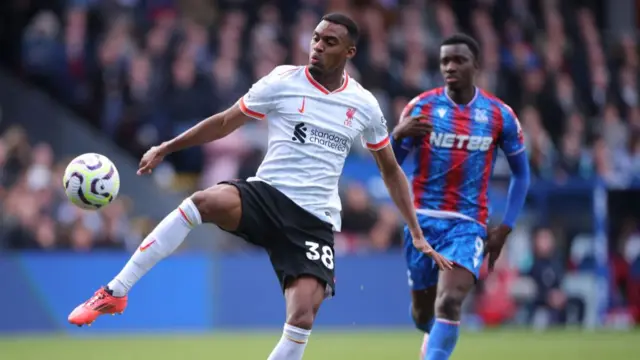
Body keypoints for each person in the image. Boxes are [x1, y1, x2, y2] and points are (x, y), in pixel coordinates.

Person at [67, 13, 452, 360]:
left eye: (329, 41)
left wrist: (416, 232)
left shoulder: (364, 105)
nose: (317, 46)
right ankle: (116, 291)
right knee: (200, 202)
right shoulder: (283, 80)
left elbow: (389, 170)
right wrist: (167, 147)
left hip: (313, 220)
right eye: (316, 38)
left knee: (301, 318)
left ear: (349, 51)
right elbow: (224, 122)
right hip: (266, 195)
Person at [390, 33, 530, 360]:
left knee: (449, 301)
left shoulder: (499, 115)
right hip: (421, 223)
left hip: (468, 224)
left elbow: (521, 173)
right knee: (422, 314)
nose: (450, 67)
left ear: (476, 65)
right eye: (444, 61)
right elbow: (390, 166)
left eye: (458, 60)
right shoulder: (421, 108)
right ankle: (430, 336)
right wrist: (396, 138)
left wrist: (506, 226)